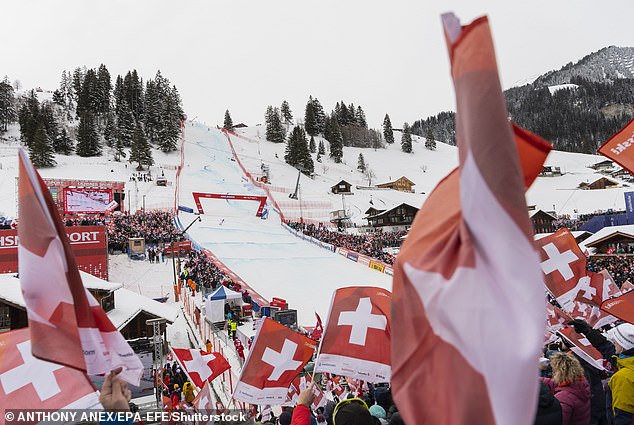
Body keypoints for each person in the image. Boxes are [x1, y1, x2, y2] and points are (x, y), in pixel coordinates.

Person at [570, 320, 634, 425]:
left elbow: (622, 416)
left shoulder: (623, 377)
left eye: (616, 341)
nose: (613, 342)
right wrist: (588, 332)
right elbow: (607, 348)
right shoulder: (628, 361)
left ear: (623, 345)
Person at [541, 352, 590, 425]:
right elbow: (554, 383)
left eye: (554, 370)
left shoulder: (563, 398)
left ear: (559, 372)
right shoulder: (579, 383)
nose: (552, 373)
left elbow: (560, 421)